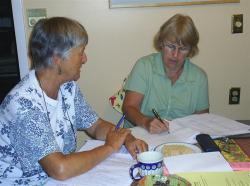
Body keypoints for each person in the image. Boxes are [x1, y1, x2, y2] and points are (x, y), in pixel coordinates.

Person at [0, 17, 148, 185]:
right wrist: (110, 147)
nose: (85, 59)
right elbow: (60, 169)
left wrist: (126, 138)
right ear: (57, 58)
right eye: (80, 52)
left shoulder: (68, 87)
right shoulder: (23, 104)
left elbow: (96, 125)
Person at [122, 14, 209, 134]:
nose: (175, 54)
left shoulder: (199, 77)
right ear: (161, 43)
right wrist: (146, 122)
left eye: (183, 49)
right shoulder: (144, 66)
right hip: (141, 133)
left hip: (180, 138)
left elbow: (202, 119)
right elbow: (129, 108)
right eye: (171, 46)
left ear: (191, 50)